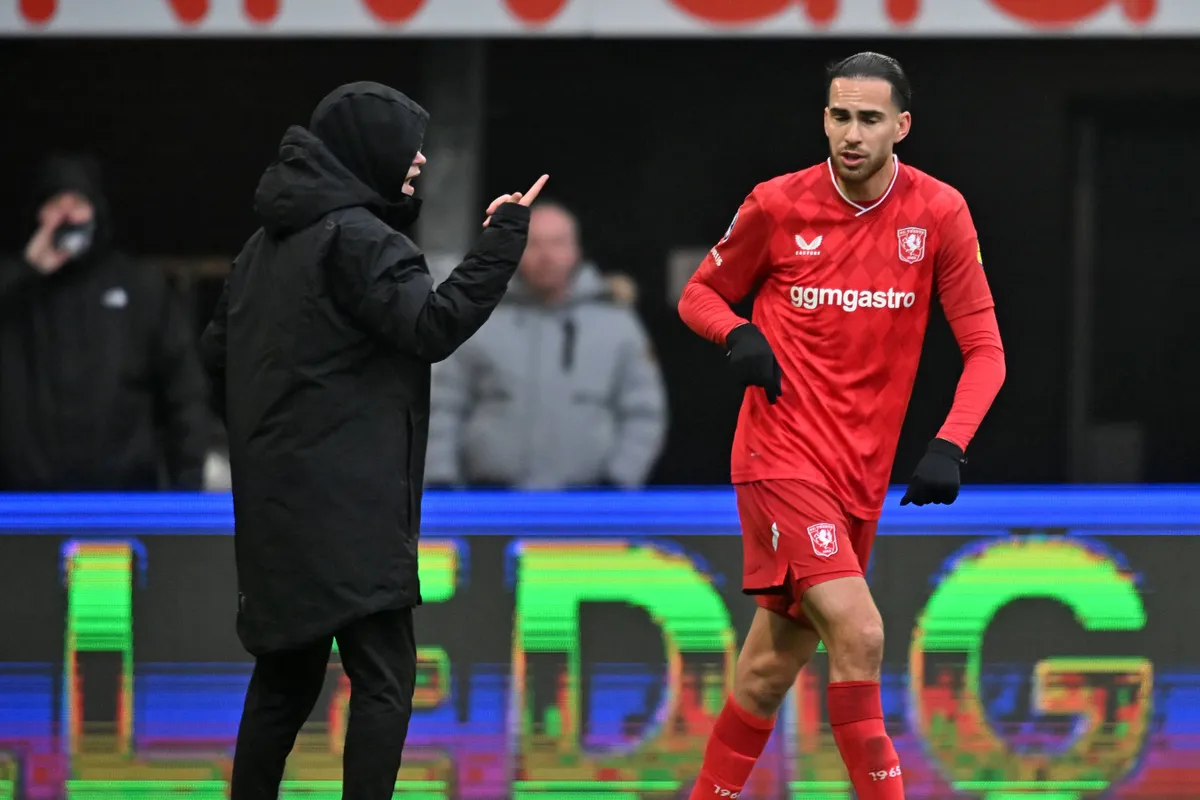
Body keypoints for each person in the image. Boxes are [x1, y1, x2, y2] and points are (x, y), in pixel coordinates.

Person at [197, 81, 546, 800]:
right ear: (367, 151)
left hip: (276, 507)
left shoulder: (261, 248)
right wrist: (504, 239)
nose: (420, 160)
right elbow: (431, 328)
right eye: (407, 146)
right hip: (352, 507)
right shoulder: (360, 238)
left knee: (283, 683)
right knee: (384, 682)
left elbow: (215, 354)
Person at [677, 53, 1006, 799]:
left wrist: (951, 442)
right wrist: (737, 334)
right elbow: (700, 294)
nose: (850, 134)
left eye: (867, 119)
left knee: (764, 675)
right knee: (859, 634)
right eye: (838, 116)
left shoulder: (939, 214)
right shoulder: (777, 204)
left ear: (902, 126)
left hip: (860, 475)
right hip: (780, 454)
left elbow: (986, 351)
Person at [0, 155, 210, 491]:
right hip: (24, 507)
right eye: (56, 203)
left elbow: (184, 393)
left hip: (122, 505)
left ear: (97, 210)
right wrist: (27, 272)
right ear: (38, 215)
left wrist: (187, 489)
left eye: (78, 203)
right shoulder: (14, 295)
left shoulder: (140, 290)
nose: (67, 215)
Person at [426, 200, 668, 489]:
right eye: (534, 244)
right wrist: (441, 480)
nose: (546, 256)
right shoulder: (481, 317)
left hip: (587, 504)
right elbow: (444, 406)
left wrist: (617, 482)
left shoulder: (617, 324)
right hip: (489, 503)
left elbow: (644, 412)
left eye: (557, 243)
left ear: (576, 250)